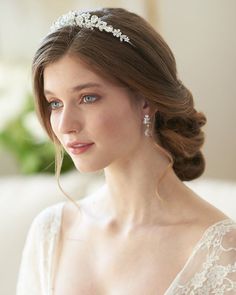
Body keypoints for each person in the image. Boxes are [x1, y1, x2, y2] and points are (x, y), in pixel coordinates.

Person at [16, 7, 236, 295]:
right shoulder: (50, 233)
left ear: (145, 99)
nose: (65, 124)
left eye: (87, 98)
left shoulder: (222, 254)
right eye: (55, 103)